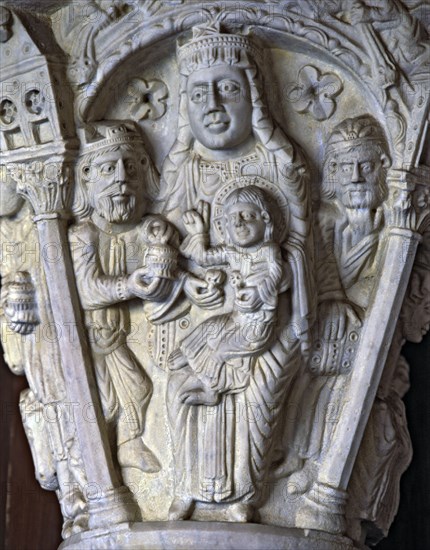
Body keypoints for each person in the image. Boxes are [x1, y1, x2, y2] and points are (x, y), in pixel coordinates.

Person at [69, 120, 184, 474]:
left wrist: (159, 236)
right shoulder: (83, 235)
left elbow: (154, 244)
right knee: (100, 404)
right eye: (109, 169)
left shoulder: (139, 228)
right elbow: (87, 290)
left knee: (138, 386)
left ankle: (129, 445)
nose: (122, 178)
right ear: (87, 180)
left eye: (130, 167)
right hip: (87, 340)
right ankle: (85, 464)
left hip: (115, 337)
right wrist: (130, 286)